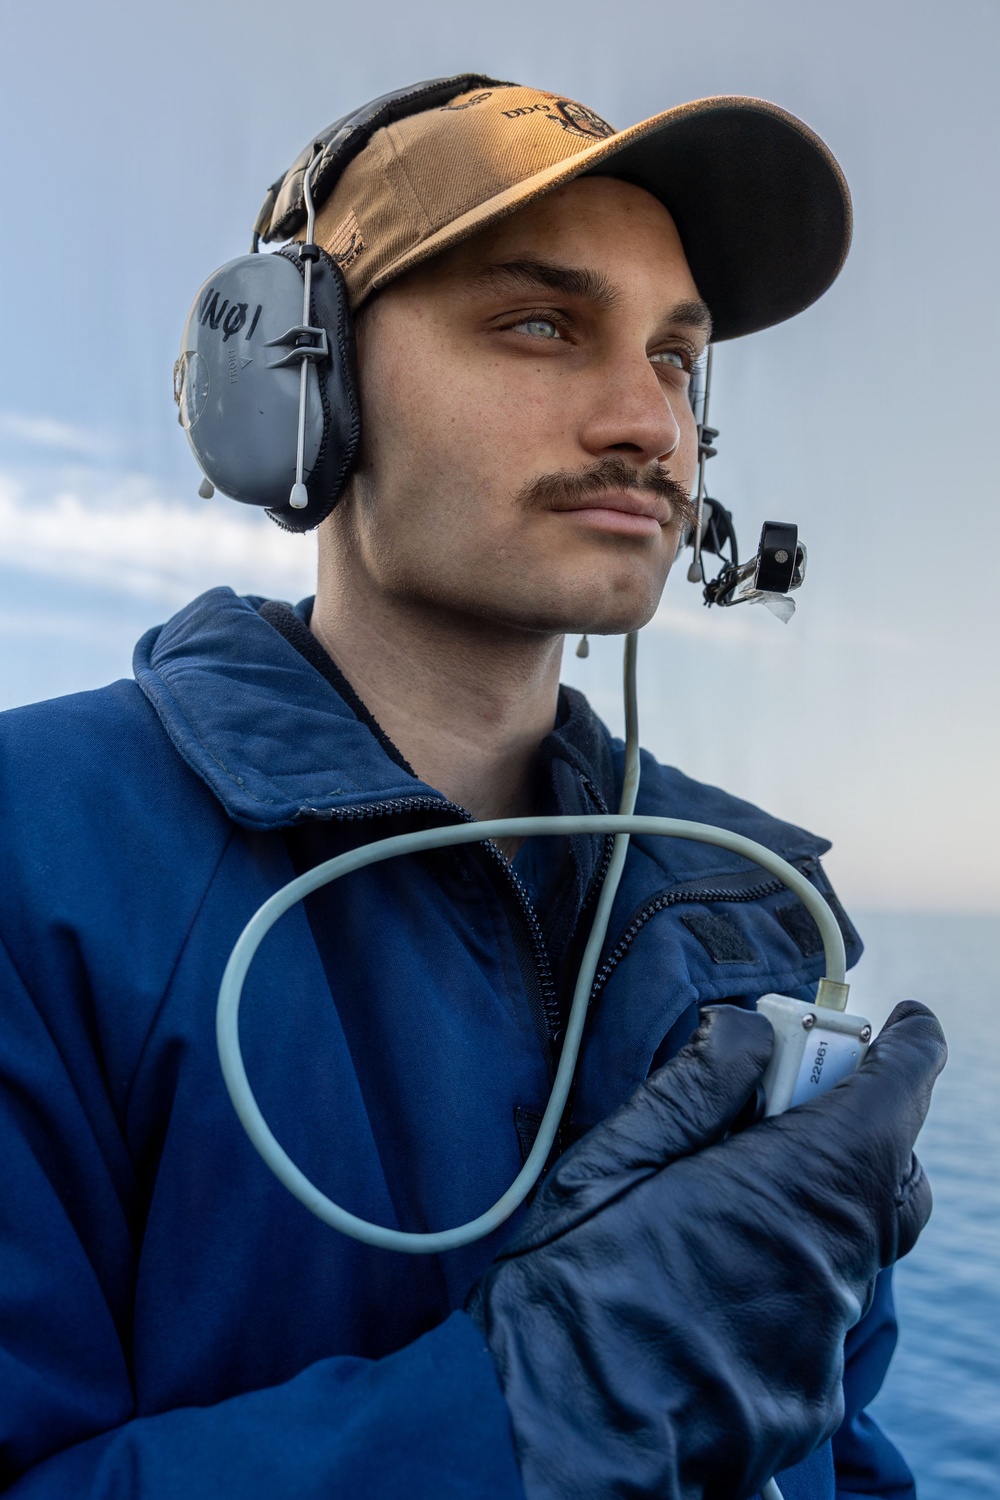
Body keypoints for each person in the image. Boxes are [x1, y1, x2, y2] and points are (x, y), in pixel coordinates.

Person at [0, 79, 945, 1500]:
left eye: (680, 361)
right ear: (294, 385)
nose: (650, 423)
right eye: (542, 325)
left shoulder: (761, 911)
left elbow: (844, 1453)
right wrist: (538, 1416)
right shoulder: (33, 851)